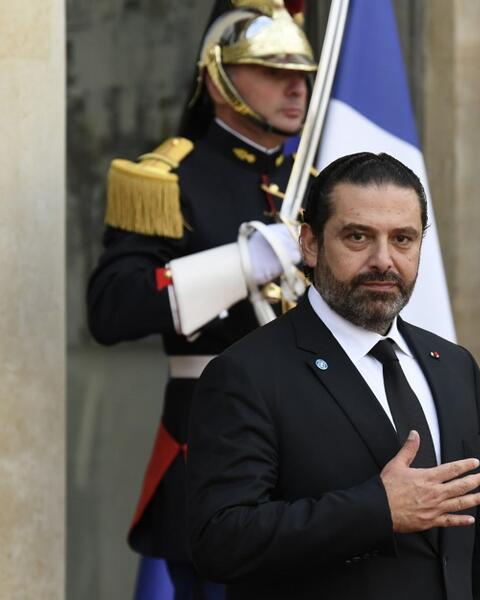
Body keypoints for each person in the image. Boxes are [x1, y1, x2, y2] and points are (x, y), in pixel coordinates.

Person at [187, 152, 480, 599]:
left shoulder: (454, 366)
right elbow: (222, 540)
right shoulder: (247, 373)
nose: (383, 260)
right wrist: (377, 510)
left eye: (403, 239)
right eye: (358, 237)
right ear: (310, 243)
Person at [86, 1, 316, 596]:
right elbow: (112, 308)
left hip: (320, 455)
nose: (297, 87)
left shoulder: (320, 183)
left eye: (303, 73)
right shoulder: (169, 180)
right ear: (218, 78)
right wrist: (240, 265)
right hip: (215, 449)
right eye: (273, 70)